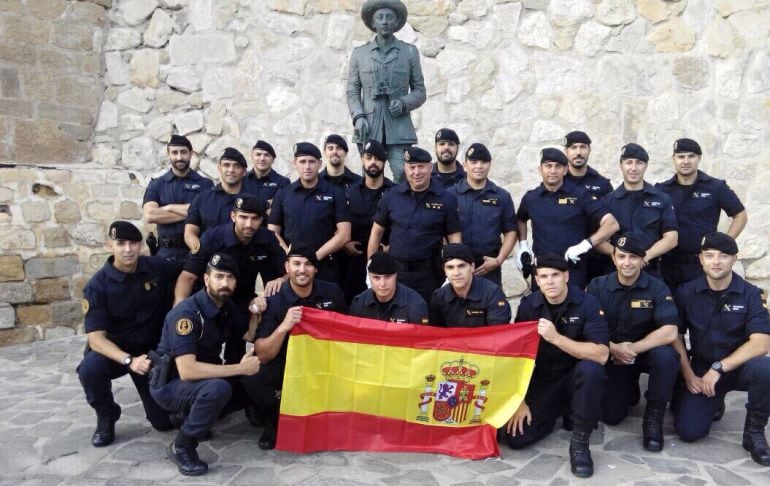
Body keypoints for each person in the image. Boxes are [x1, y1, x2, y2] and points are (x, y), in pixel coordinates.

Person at [150, 253, 261, 476]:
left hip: (201, 379)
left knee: (252, 383)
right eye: (219, 277)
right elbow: (187, 370)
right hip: (171, 384)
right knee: (219, 389)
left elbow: (249, 336)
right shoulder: (187, 314)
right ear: (206, 279)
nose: (224, 283)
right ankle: (183, 445)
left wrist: (255, 310)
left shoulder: (225, 307)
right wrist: (240, 368)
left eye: (230, 278)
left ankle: (190, 415)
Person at [504, 254, 609, 478]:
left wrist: (556, 338)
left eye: (555, 275)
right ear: (537, 280)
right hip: (543, 380)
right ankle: (556, 412)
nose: (550, 281)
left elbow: (601, 354)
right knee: (517, 439)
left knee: (591, 369)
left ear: (566, 276)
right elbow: (517, 355)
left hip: (575, 377)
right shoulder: (528, 306)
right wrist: (519, 401)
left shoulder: (587, 303)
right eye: (544, 276)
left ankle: (580, 442)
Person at [77, 221, 181, 447]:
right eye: (121, 243)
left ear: (140, 245)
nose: (128, 249)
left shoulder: (155, 266)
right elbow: (96, 338)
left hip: (149, 355)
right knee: (90, 369)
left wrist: (179, 302)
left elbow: (189, 269)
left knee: (163, 423)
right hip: (115, 353)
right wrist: (128, 360)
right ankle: (107, 414)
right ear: (109, 245)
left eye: (133, 243)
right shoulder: (97, 287)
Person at [672, 232, 770, 466]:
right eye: (710, 256)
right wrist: (688, 375)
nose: (716, 261)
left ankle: (754, 433)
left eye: (723, 256)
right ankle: (714, 400)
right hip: (702, 367)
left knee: (766, 368)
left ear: (734, 260)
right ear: (701, 259)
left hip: (738, 367)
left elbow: (761, 342)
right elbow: (674, 335)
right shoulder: (687, 292)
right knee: (689, 431)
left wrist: (720, 368)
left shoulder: (752, 295)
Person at [241, 243, 346, 450]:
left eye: (308, 264)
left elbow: (347, 332)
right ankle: (276, 420)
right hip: (285, 362)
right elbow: (262, 353)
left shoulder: (332, 292)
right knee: (251, 375)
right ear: (287, 268)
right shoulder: (274, 299)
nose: (302, 269)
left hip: (323, 362)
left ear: (316, 269)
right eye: (296, 263)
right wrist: (284, 326)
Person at [586, 234, 679, 452]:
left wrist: (630, 349)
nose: (627, 262)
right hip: (612, 354)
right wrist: (614, 348)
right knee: (612, 416)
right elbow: (588, 328)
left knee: (666, 356)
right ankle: (629, 389)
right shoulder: (597, 286)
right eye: (622, 257)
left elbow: (670, 331)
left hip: (644, 352)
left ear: (642, 260)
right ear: (614, 259)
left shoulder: (657, 288)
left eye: (633, 257)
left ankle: (653, 418)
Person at [173, 197, 286, 360]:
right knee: (205, 349)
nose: (249, 224)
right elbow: (188, 276)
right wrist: (180, 308)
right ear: (233, 216)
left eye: (254, 218)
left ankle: (240, 376)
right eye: (243, 217)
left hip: (242, 300)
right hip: (210, 298)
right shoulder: (212, 238)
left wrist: (280, 279)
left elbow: (288, 270)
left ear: (261, 220)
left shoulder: (267, 238)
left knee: (237, 351)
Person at [368, 145, 462, 304]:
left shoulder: (446, 199)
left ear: (430, 167)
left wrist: (453, 270)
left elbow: (455, 238)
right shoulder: (391, 196)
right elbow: (377, 231)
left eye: (421, 167)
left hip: (430, 275)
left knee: (429, 320)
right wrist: (371, 267)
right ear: (405, 168)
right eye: (412, 167)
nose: (416, 172)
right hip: (395, 274)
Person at [346, 0, 426, 183]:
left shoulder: (409, 52)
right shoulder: (360, 54)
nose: (384, 21)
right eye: (380, 17)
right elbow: (352, 91)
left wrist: (405, 103)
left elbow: (420, 91)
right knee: (370, 177)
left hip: (399, 128)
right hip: (368, 125)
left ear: (397, 23)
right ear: (373, 23)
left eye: (389, 17)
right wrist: (358, 117)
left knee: (403, 175)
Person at [516, 148, 618, 289]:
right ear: (540, 170)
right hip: (543, 272)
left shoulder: (581, 196)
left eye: (558, 166)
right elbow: (520, 219)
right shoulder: (531, 198)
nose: (553, 171)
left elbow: (611, 224)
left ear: (565, 170)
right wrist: (523, 245)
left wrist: (586, 244)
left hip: (572, 270)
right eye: (548, 166)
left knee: (574, 310)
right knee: (539, 310)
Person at [656, 138, 747, 293]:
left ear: (699, 158)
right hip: (669, 265)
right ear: (673, 159)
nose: (686, 161)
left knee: (700, 313)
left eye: (691, 156)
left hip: (701, 265)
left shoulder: (716, 187)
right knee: (671, 312)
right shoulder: (662, 190)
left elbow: (740, 215)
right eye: (681, 156)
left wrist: (723, 244)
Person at [268, 142, 351, 283]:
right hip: (293, 269)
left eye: (312, 162)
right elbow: (272, 231)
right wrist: (290, 254)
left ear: (319, 164)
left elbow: (344, 234)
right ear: (295, 163)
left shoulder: (336, 193)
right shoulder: (283, 194)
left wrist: (314, 258)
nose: (307, 166)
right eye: (302, 161)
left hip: (325, 267)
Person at [600, 143, 678, 280]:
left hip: (650, 270)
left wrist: (645, 256)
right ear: (621, 165)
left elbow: (671, 238)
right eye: (629, 162)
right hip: (616, 273)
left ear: (646, 166)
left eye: (639, 163)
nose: (633, 168)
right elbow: (597, 239)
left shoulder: (662, 199)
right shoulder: (607, 201)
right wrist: (621, 257)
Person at [448, 143, 517, 287]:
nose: (479, 166)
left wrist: (499, 260)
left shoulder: (501, 196)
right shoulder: (450, 195)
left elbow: (511, 231)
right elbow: (441, 231)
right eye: (474, 162)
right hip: (457, 268)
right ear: (465, 165)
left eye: (483, 162)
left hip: (489, 268)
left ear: (490, 165)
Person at [143, 135, 213, 259]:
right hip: (165, 254)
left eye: (183, 152)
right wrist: (194, 213)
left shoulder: (205, 184)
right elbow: (150, 215)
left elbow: (207, 213)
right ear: (169, 155)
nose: (179, 157)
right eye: (175, 152)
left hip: (195, 251)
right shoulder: (157, 184)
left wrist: (167, 207)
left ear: (191, 154)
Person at [342, 140, 395, 302]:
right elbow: (338, 223)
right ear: (362, 160)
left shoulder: (395, 192)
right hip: (353, 260)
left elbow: (403, 224)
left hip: (385, 262)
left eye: (378, 158)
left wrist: (391, 247)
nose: (373, 162)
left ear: (384, 162)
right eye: (369, 157)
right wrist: (344, 243)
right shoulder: (349, 193)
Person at [563, 130, 614, 281]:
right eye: (573, 147)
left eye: (583, 147)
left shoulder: (602, 184)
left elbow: (611, 222)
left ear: (589, 150)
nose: (578, 152)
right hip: (568, 256)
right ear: (566, 151)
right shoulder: (559, 182)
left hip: (597, 256)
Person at [184, 147, 253, 253]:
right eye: (226, 165)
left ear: (244, 172)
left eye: (236, 166)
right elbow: (190, 233)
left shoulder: (253, 201)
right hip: (206, 261)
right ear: (219, 168)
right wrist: (201, 254)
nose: (231, 170)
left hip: (240, 263)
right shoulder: (202, 199)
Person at [428, 243, 511, 327]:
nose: (456, 273)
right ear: (444, 270)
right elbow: (435, 334)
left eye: (461, 266)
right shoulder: (439, 297)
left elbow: (499, 334)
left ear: (472, 267)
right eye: (450, 267)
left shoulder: (492, 294)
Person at [348, 251, 428, 324]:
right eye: (376, 277)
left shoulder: (416, 304)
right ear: (369, 277)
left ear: (396, 275)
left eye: (387, 277)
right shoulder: (358, 304)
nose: (382, 284)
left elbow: (420, 336)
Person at [241, 139, 290, 213]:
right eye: (258, 154)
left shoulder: (283, 182)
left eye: (267, 155)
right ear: (251, 157)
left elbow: (279, 209)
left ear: (273, 159)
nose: (262, 159)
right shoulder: (242, 179)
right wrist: (266, 204)